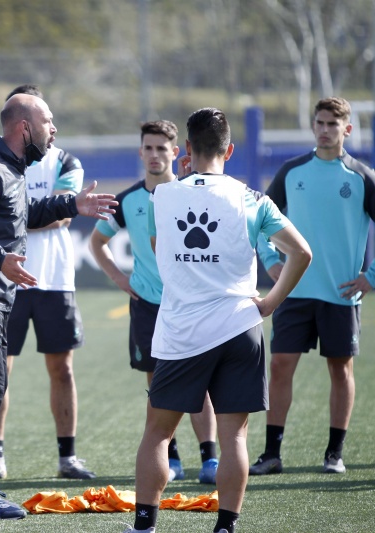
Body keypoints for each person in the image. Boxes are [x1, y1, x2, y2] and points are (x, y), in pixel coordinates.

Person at [124, 107, 311, 533]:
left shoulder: (162, 197)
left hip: (181, 329)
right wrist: (271, 303)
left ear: (186, 149)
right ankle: (225, 528)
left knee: (157, 433)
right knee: (236, 438)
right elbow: (301, 252)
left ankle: (143, 527)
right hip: (239, 325)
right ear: (229, 149)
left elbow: (159, 251)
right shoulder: (252, 199)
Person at [0, 92, 116, 520]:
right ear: (25, 128)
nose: (53, 129)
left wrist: (72, 204)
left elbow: (24, 215)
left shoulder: (12, 170)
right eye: (48, 121)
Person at [250, 96, 375, 477]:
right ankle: (272, 454)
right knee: (280, 365)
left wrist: (371, 276)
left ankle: (334, 453)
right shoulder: (291, 172)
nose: (324, 130)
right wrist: (271, 261)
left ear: (347, 130)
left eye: (332, 125)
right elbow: (259, 220)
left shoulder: (362, 177)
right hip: (294, 292)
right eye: (319, 123)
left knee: (341, 370)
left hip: (340, 293)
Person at [89, 120, 219, 484]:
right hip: (147, 305)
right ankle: (171, 457)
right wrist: (118, 277)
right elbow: (96, 243)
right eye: (148, 147)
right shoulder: (129, 200)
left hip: (189, 305)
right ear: (140, 152)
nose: (155, 154)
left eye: (162, 148)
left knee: (201, 383)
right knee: (158, 383)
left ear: (176, 153)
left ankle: (210, 459)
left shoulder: (189, 194)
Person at [0, 84, 94, 481]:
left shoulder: (65, 161)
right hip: (8, 280)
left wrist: (14, 213)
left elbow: (65, 214)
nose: (50, 126)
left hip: (53, 280)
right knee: (0, 370)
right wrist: (33, 211)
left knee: (62, 370)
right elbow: (16, 214)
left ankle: (68, 456)